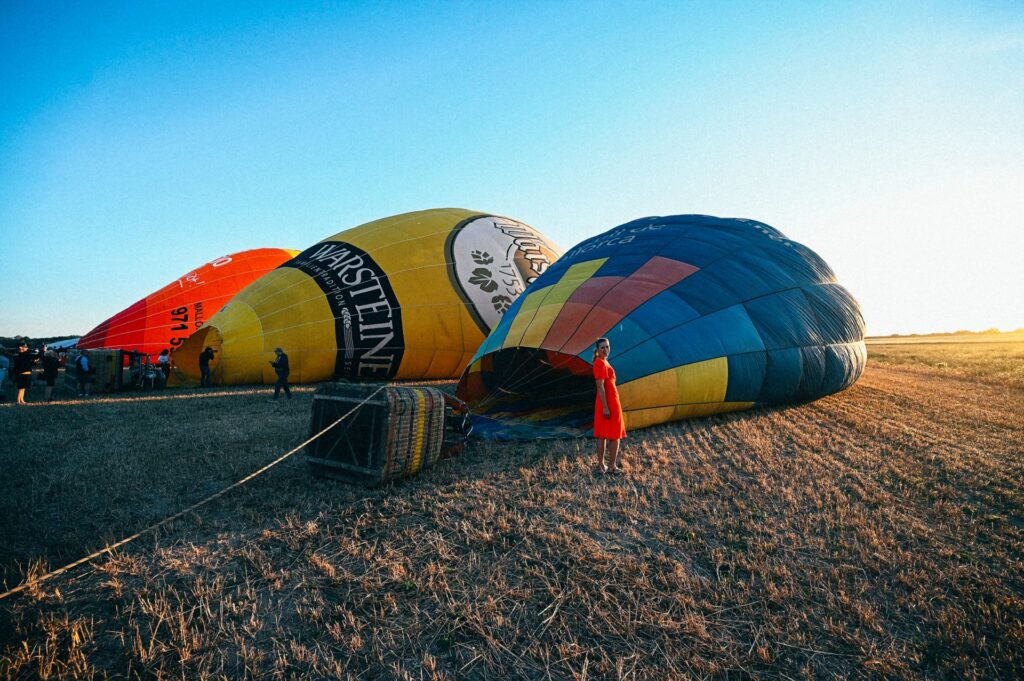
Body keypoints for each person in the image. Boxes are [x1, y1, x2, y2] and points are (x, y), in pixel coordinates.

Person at [592, 337, 626, 474]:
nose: (606, 350)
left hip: (606, 401)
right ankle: (611, 466)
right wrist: (606, 407)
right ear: (598, 350)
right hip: (608, 402)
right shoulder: (600, 363)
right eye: (602, 348)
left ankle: (602, 466)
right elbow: (600, 387)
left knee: (603, 435)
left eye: (607, 347)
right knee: (614, 436)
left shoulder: (602, 361)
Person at [12, 341, 36, 405]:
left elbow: (30, 362)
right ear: (21, 347)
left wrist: (34, 361)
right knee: (21, 388)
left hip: (27, 373)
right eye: (24, 347)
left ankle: (22, 400)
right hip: (21, 373)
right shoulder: (18, 355)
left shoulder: (25, 354)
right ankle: (18, 401)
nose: (26, 348)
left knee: (23, 388)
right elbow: (22, 360)